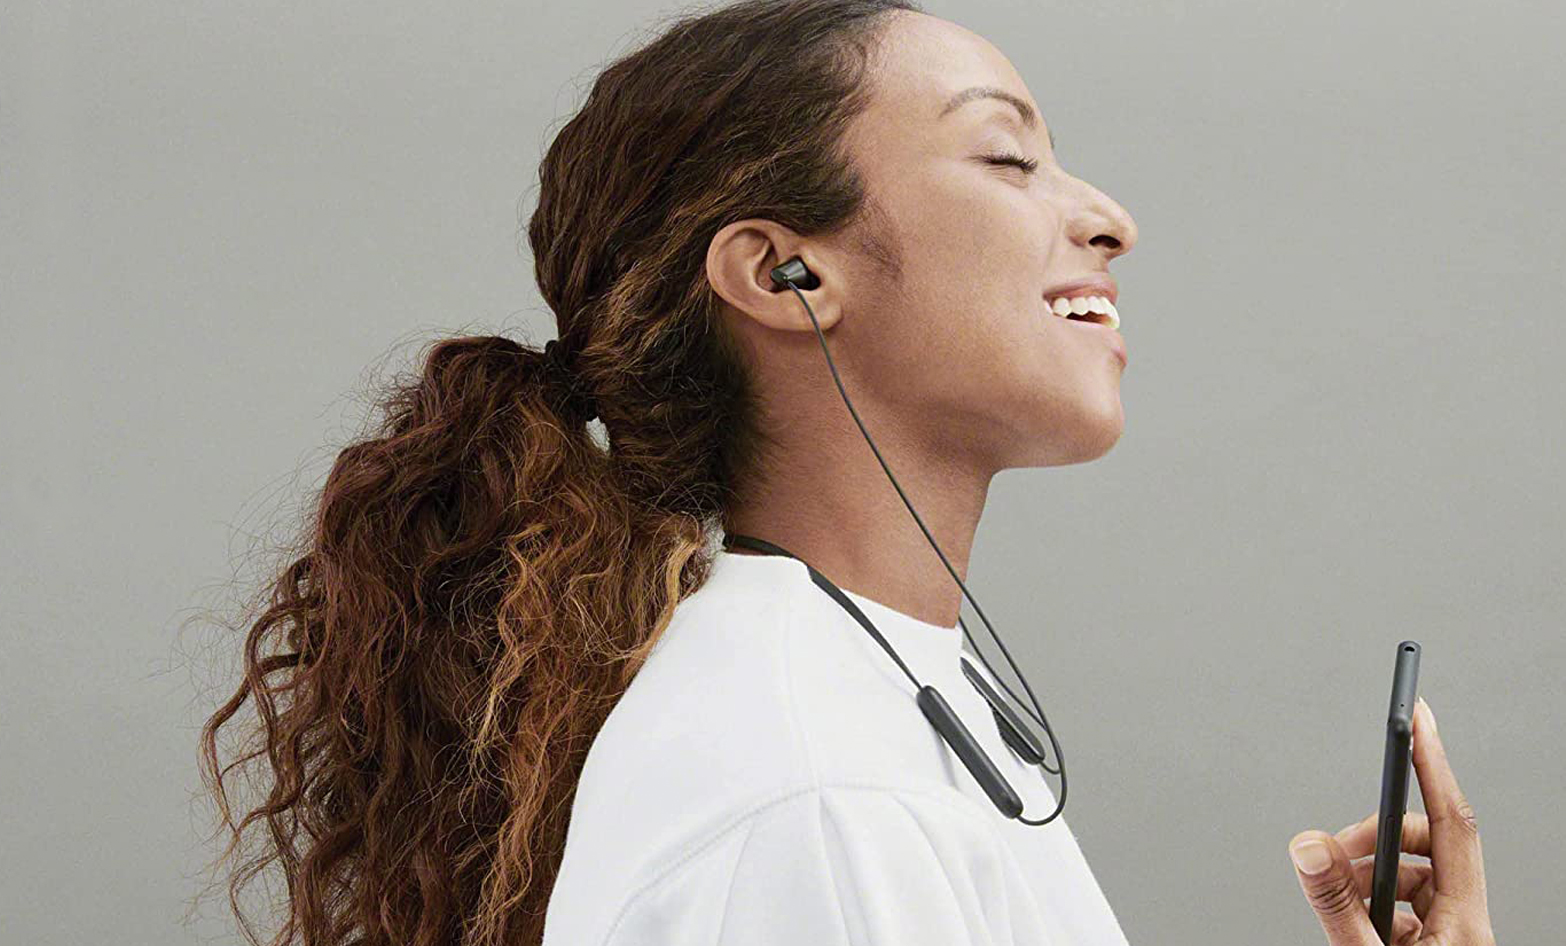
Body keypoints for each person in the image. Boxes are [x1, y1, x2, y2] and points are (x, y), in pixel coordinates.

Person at [199, 0, 1498, 944]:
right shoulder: (817, 791)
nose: (1109, 217)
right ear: (785, 275)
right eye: (1007, 156)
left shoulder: (875, 693)